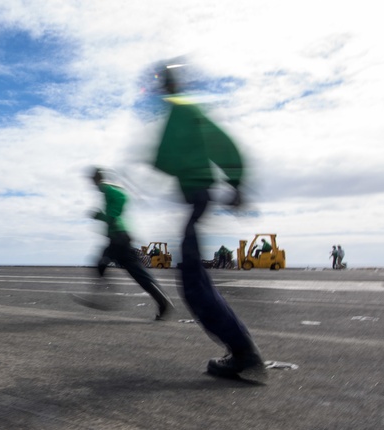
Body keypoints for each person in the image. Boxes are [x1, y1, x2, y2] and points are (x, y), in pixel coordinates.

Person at [151, 62, 266, 381]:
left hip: (199, 195)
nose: (160, 86)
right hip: (197, 197)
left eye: (161, 81)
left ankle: (243, 355)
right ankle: (242, 352)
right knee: (193, 280)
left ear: (168, 83)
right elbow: (173, 155)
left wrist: (237, 180)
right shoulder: (179, 112)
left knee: (194, 283)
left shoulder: (183, 110)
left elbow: (216, 142)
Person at [87, 168, 174, 320]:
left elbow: (122, 197)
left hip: (118, 237)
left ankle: (107, 295)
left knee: (102, 264)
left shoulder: (107, 188)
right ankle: (162, 300)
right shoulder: (106, 190)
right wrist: (103, 216)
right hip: (119, 236)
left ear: (96, 179)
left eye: (93, 180)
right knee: (136, 272)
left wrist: (107, 215)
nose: (92, 183)